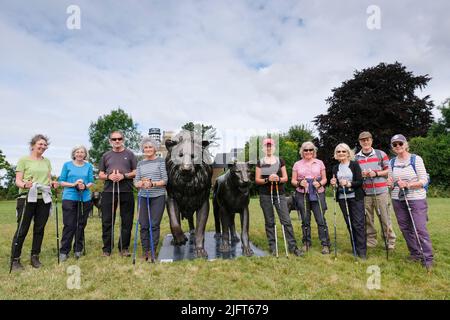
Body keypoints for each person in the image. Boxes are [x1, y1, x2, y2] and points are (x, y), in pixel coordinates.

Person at [10, 134, 58, 271]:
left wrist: (52, 183)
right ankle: (15, 260)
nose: (43, 147)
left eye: (45, 145)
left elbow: (48, 179)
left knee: (39, 229)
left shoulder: (46, 161)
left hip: (43, 198)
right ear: (33, 145)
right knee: (22, 229)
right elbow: (18, 180)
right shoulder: (23, 160)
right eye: (40, 144)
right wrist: (25, 185)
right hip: (26, 198)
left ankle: (35, 257)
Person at [387, 134, 433, 270]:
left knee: (419, 228)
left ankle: (427, 258)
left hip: (416, 198)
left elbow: (424, 180)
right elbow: (391, 181)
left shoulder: (416, 159)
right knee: (405, 229)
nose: (398, 146)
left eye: (400, 143)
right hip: (397, 198)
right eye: (394, 144)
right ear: (392, 147)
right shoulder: (392, 162)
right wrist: (390, 183)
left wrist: (408, 185)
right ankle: (415, 254)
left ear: (406, 144)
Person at [255, 138, 303, 257]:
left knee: (286, 220)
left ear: (274, 147)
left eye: (271, 146)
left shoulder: (279, 160)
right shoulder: (260, 162)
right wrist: (267, 179)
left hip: (280, 194)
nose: (269, 148)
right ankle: (273, 247)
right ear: (263, 148)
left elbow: (286, 178)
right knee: (270, 221)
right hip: (265, 195)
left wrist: (278, 179)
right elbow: (257, 180)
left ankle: (293, 247)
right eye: (267, 146)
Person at [99, 131, 137, 257]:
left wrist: (123, 176)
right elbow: (100, 174)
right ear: (110, 141)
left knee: (126, 221)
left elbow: (136, 171)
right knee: (107, 220)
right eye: (114, 139)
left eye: (119, 138)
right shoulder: (105, 156)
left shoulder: (130, 154)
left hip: (126, 190)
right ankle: (107, 249)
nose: (117, 141)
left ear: (123, 139)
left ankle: (124, 247)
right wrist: (109, 176)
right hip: (109, 191)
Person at [355, 131, 396, 250]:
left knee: (385, 218)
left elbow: (389, 170)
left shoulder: (380, 154)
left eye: (367, 140)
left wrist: (376, 173)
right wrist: (361, 174)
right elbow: (355, 174)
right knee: (368, 219)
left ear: (371, 140)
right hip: (365, 193)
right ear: (360, 142)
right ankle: (371, 241)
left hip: (381, 192)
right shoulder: (356, 157)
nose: (365, 142)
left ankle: (389, 241)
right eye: (363, 140)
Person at [291, 141, 330, 254]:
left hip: (318, 192)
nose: (308, 152)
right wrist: (299, 183)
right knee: (305, 219)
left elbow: (324, 179)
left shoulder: (320, 163)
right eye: (305, 150)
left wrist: (320, 183)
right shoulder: (297, 164)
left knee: (321, 219)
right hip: (302, 193)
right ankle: (306, 242)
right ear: (302, 152)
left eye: (310, 150)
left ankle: (325, 244)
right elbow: (293, 181)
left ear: (314, 151)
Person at [134, 137, 168, 261]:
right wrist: (138, 184)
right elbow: (136, 180)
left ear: (155, 148)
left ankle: (153, 250)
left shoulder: (160, 161)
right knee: (143, 225)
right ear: (143, 149)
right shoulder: (140, 163)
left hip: (158, 196)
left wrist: (152, 184)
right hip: (143, 196)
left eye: (150, 147)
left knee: (154, 224)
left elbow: (165, 180)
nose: (148, 149)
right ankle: (145, 251)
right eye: (146, 147)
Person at [58, 145, 94, 261]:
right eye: (77, 152)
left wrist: (84, 185)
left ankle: (78, 248)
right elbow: (61, 181)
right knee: (69, 225)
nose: (79, 154)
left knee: (80, 224)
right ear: (74, 154)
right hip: (69, 197)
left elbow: (91, 182)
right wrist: (73, 184)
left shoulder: (88, 166)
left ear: (85, 154)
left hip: (84, 198)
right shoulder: (67, 165)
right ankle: (64, 250)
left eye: (82, 152)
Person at [330, 143, 366, 259]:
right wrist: (334, 184)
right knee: (349, 223)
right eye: (338, 151)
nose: (341, 153)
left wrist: (349, 183)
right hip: (342, 198)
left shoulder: (354, 164)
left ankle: (362, 251)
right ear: (336, 154)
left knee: (358, 224)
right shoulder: (335, 168)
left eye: (343, 151)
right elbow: (335, 184)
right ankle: (354, 248)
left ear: (348, 153)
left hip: (355, 197)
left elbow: (360, 182)